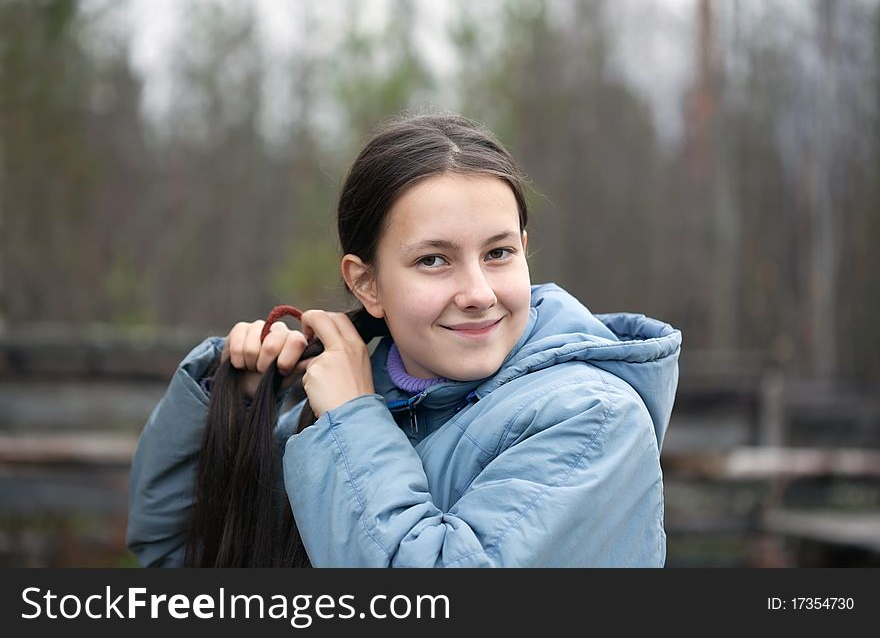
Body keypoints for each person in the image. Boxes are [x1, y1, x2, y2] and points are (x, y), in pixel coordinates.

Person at [126, 112, 681, 567]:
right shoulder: (332, 413)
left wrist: (350, 418)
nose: (479, 292)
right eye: (434, 260)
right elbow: (179, 553)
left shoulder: (594, 419)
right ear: (366, 283)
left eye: (499, 252)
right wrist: (228, 402)